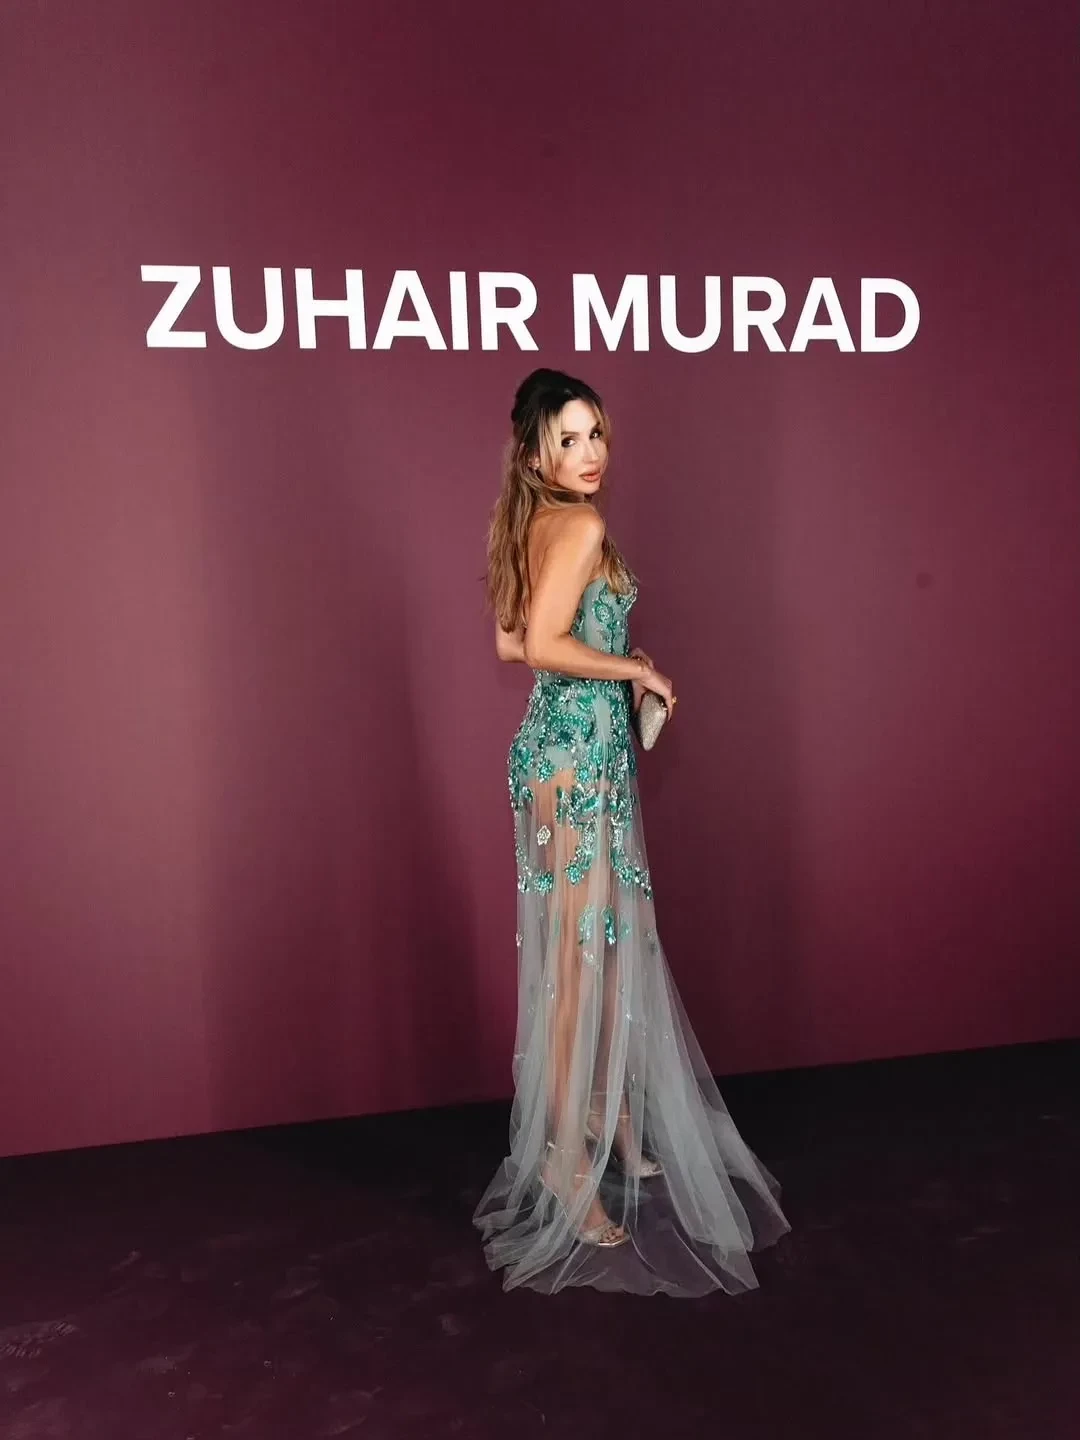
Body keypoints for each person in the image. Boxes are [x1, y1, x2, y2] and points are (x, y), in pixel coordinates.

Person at [473, 367, 790, 1296]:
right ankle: (561, 1158)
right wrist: (635, 672)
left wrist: (616, 663)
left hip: (566, 754)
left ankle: (604, 1114)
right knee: (580, 966)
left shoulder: (530, 523)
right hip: (574, 762)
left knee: (610, 945)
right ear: (535, 453)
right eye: (568, 440)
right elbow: (538, 647)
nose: (589, 454)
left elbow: (512, 640)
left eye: (596, 434)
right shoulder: (575, 526)